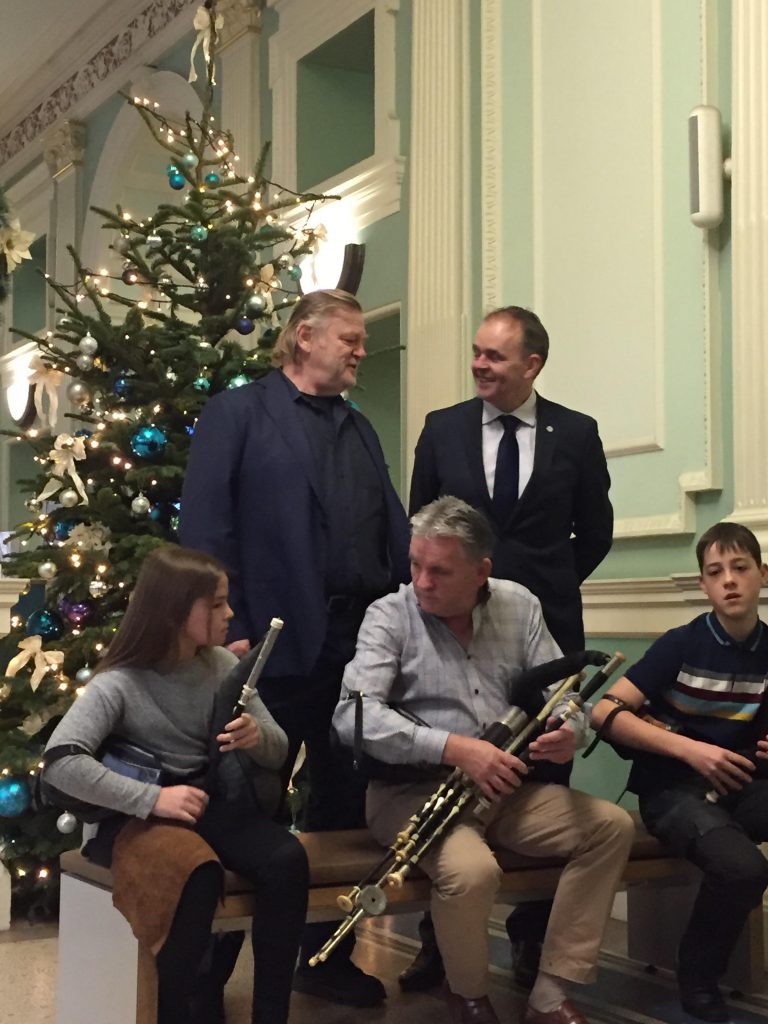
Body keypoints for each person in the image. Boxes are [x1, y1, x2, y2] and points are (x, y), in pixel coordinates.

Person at [180, 288, 410, 1007]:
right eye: (350, 338)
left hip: (355, 648)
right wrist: (230, 628)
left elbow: (390, 529)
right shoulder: (237, 414)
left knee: (343, 804)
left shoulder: (360, 427)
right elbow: (205, 530)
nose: (361, 350)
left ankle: (326, 958)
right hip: (267, 647)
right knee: (248, 807)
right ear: (304, 337)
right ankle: (208, 975)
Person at [333, 497, 635, 1024]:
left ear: (481, 571)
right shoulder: (389, 615)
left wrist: (570, 729)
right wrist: (453, 747)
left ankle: (549, 991)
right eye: (415, 565)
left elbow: (562, 694)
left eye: (440, 571)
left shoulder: (519, 604)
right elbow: (352, 718)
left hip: (503, 790)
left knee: (610, 827)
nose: (422, 582)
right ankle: (470, 997)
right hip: (412, 794)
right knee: (471, 873)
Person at [406, 305, 613, 988]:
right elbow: (420, 528)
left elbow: (596, 530)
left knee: (548, 778)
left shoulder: (576, 433)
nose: (479, 365)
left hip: (547, 638)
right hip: (452, 636)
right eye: (476, 352)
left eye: (494, 356)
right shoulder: (443, 430)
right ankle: (437, 945)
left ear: (533, 364)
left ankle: (532, 940)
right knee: (451, 779)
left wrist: (545, 587)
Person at [43, 545, 309, 1024]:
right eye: (217, 604)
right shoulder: (118, 682)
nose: (230, 613)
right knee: (194, 874)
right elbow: (60, 763)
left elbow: (278, 749)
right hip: (136, 818)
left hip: (205, 805)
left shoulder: (222, 665)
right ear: (175, 612)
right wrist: (153, 799)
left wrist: (256, 736)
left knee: (286, 859)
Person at [592, 522, 768, 1023]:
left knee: (735, 857)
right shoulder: (681, 644)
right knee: (743, 869)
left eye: (740, 568)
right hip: (672, 790)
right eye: (715, 572)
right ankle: (698, 975)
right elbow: (603, 713)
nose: (729, 580)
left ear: (763, 574)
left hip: (741, 785)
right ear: (703, 585)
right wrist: (692, 750)